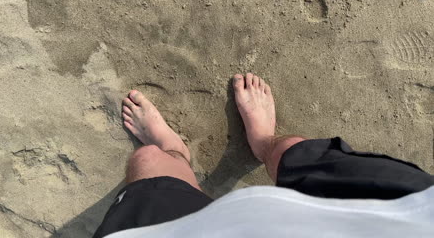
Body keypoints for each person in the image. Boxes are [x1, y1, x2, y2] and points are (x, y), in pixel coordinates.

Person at [93, 73, 434, 238]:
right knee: (294, 151)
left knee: (149, 161)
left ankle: (175, 154)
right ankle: (265, 144)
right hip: (401, 217)